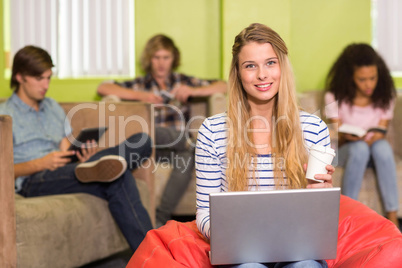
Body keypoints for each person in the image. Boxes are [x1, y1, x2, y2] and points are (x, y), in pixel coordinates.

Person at [195, 23, 334, 267]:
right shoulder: (212, 130)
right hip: (241, 252)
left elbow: (320, 219)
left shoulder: (314, 128)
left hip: (298, 249)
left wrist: (320, 195)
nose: (262, 75)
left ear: (282, 66)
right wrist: (232, 236)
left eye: (270, 62)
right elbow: (205, 212)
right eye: (251, 66)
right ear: (238, 73)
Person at [0, 45, 153, 251]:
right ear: (19, 76)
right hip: (34, 180)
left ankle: (93, 167)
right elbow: (4, 171)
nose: (46, 85)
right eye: (39, 79)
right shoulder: (5, 115)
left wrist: (81, 157)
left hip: (66, 171)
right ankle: (156, 256)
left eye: (48, 78)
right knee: (120, 174)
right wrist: (40, 163)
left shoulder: (53, 107)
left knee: (142, 141)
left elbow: (66, 150)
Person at [97, 34, 227, 227]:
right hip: (149, 143)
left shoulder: (182, 82)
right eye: (156, 57)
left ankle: (160, 218)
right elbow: (103, 87)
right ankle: (191, 142)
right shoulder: (141, 84)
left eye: (166, 57)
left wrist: (192, 91)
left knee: (189, 155)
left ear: (173, 59)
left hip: (174, 149)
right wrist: (140, 96)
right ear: (149, 59)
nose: (161, 63)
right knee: (162, 135)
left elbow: (223, 84)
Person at [324, 43, 399, 226]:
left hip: (374, 151)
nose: (369, 85)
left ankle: (393, 217)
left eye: (372, 78)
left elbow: (381, 132)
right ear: (350, 77)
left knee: (381, 146)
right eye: (362, 79)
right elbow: (336, 135)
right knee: (358, 148)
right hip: (346, 152)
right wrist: (346, 137)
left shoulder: (386, 96)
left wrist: (372, 139)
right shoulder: (332, 97)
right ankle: (347, 216)